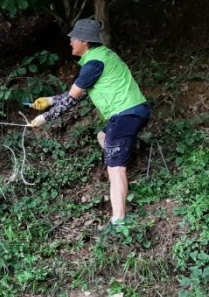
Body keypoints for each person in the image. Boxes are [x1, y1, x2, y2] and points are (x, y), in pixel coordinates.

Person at [28, 18, 152, 226]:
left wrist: (44, 118)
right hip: (136, 111)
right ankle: (123, 151)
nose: (70, 43)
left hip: (124, 114)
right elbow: (80, 93)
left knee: (115, 168)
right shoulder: (102, 57)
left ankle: (119, 222)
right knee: (102, 136)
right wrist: (49, 101)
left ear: (84, 41)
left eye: (73, 39)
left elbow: (71, 100)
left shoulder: (93, 63)